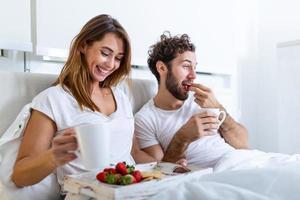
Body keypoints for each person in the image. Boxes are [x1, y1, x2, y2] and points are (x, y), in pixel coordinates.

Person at [11, 14, 155, 189]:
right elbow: (19, 175)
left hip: (129, 190)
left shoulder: (121, 97)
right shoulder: (53, 99)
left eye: (118, 58)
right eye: (105, 53)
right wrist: (53, 157)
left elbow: (134, 152)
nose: (111, 64)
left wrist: (171, 169)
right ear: (83, 45)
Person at [134, 32, 249, 168]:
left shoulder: (203, 101)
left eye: (194, 67)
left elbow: (243, 144)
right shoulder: (145, 119)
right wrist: (183, 137)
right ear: (162, 68)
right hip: (215, 173)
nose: (193, 75)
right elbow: (161, 170)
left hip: (243, 160)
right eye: (186, 66)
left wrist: (219, 108)